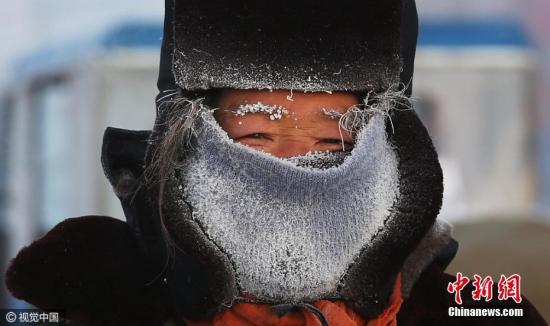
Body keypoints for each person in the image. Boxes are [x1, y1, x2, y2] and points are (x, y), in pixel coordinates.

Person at [5, 0, 547, 325]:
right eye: (258, 135)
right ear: (189, 145)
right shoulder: (93, 292)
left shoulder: (466, 306)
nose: (290, 164)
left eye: (330, 144)